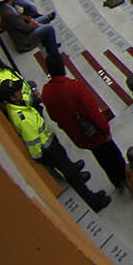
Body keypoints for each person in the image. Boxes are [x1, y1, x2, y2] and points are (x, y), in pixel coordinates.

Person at [0, 80, 110, 212]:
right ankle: (93, 202)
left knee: (72, 172)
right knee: (72, 176)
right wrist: (46, 155)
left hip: (51, 145)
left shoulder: (18, 106)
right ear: (12, 97)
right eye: (17, 91)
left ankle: (86, 189)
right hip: (50, 151)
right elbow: (33, 142)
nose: (20, 92)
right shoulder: (22, 118)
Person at [39, 53, 123, 190]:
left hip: (78, 136)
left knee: (101, 159)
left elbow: (53, 117)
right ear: (63, 67)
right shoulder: (74, 87)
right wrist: (105, 130)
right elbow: (93, 112)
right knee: (114, 157)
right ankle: (125, 179)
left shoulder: (47, 92)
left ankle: (117, 182)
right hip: (96, 133)